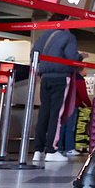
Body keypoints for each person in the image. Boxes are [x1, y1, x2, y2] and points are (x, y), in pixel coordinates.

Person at [32, 26, 83, 162]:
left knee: (44, 112)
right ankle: (51, 150)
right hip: (60, 77)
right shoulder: (68, 36)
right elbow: (71, 56)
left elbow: (34, 53)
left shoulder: (45, 34)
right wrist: (80, 57)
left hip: (45, 77)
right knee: (57, 113)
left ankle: (38, 150)